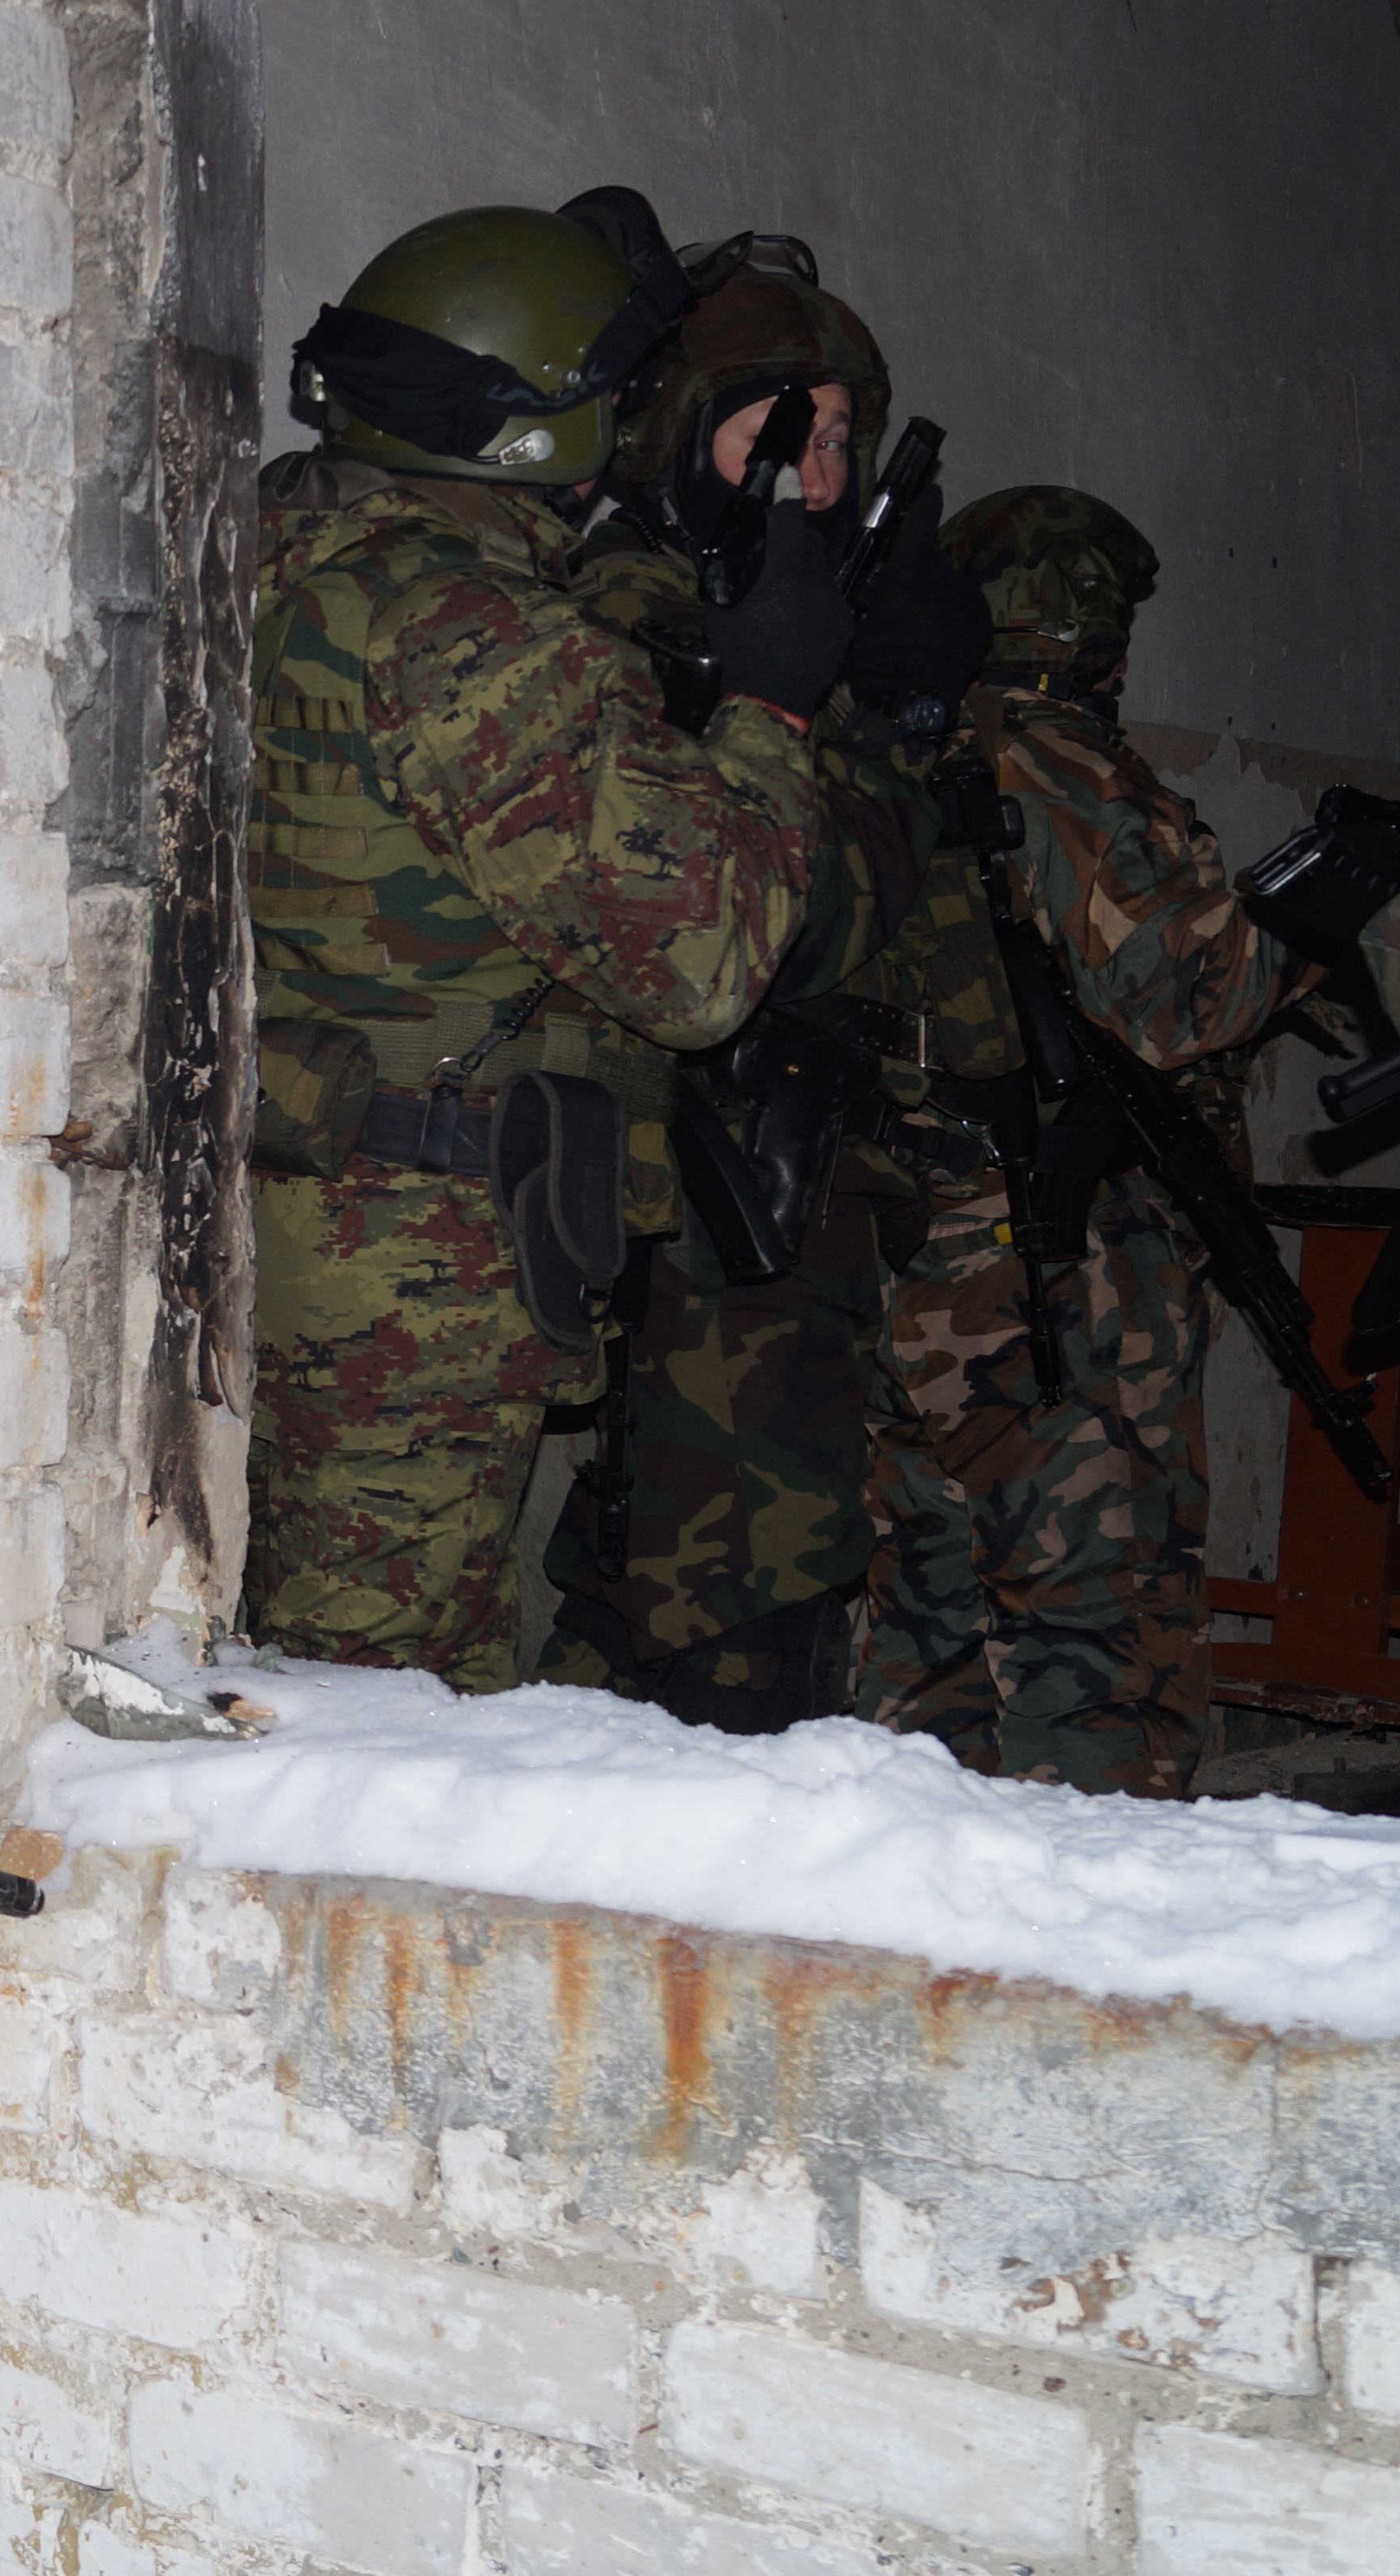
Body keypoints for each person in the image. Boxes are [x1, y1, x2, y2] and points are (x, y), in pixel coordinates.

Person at [241, 193, 938, 1693]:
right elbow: (701, 964)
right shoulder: (481, 631)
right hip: (411, 1271)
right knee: (387, 1719)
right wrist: (773, 709)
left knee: (310, 1676)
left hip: (293, 1199)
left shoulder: (273, 553)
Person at [536, 246, 981, 1726]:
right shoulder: (641, 615)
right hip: (712, 1189)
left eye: (839, 436)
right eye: (773, 429)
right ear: (684, 436)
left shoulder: (809, 604)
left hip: (798, 1185)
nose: (814, 465)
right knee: (738, 1607)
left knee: (706, 1592)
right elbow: (770, 916)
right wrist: (887, 759)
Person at [846, 488, 1300, 1795]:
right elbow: (1179, 995)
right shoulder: (1054, 763)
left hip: (927, 1239)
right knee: (1105, 1630)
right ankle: (1101, 1946)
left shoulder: (901, 751)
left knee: (931, 1615)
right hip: (1068, 1260)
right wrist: (1314, 936)